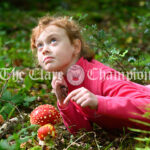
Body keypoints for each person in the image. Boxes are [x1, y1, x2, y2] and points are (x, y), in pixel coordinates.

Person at [31, 15, 150, 135]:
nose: (44, 49)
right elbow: (82, 132)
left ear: (76, 46)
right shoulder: (69, 81)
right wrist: (64, 102)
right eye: (39, 45)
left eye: (53, 40)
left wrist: (99, 102)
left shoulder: (101, 77)